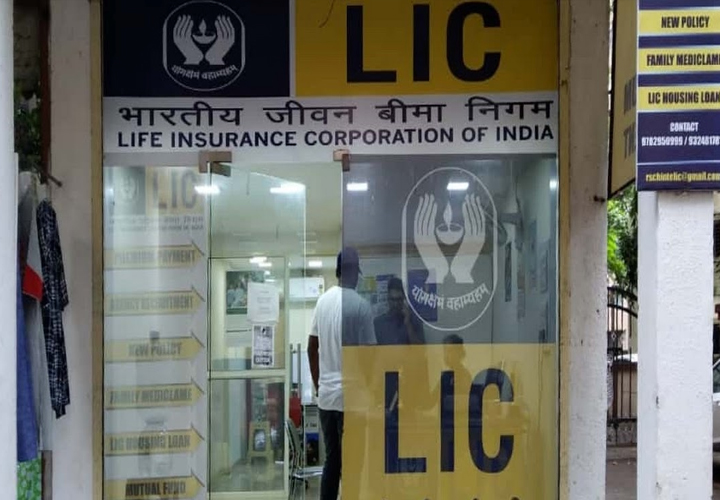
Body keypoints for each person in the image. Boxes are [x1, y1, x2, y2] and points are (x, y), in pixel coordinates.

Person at [308, 247, 376, 500]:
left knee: (332, 461)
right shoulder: (361, 306)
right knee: (354, 463)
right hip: (354, 400)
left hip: (327, 399)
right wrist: (368, 387)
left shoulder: (322, 302)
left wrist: (319, 385)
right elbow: (369, 355)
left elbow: (311, 348)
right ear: (353, 272)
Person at [374, 277, 425, 345]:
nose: (395, 304)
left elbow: (420, 348)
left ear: (404, 298)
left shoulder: (414, 320)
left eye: (399, 299)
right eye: (392, 299)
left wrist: (408, 324)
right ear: (388, 298)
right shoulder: (378, 323)